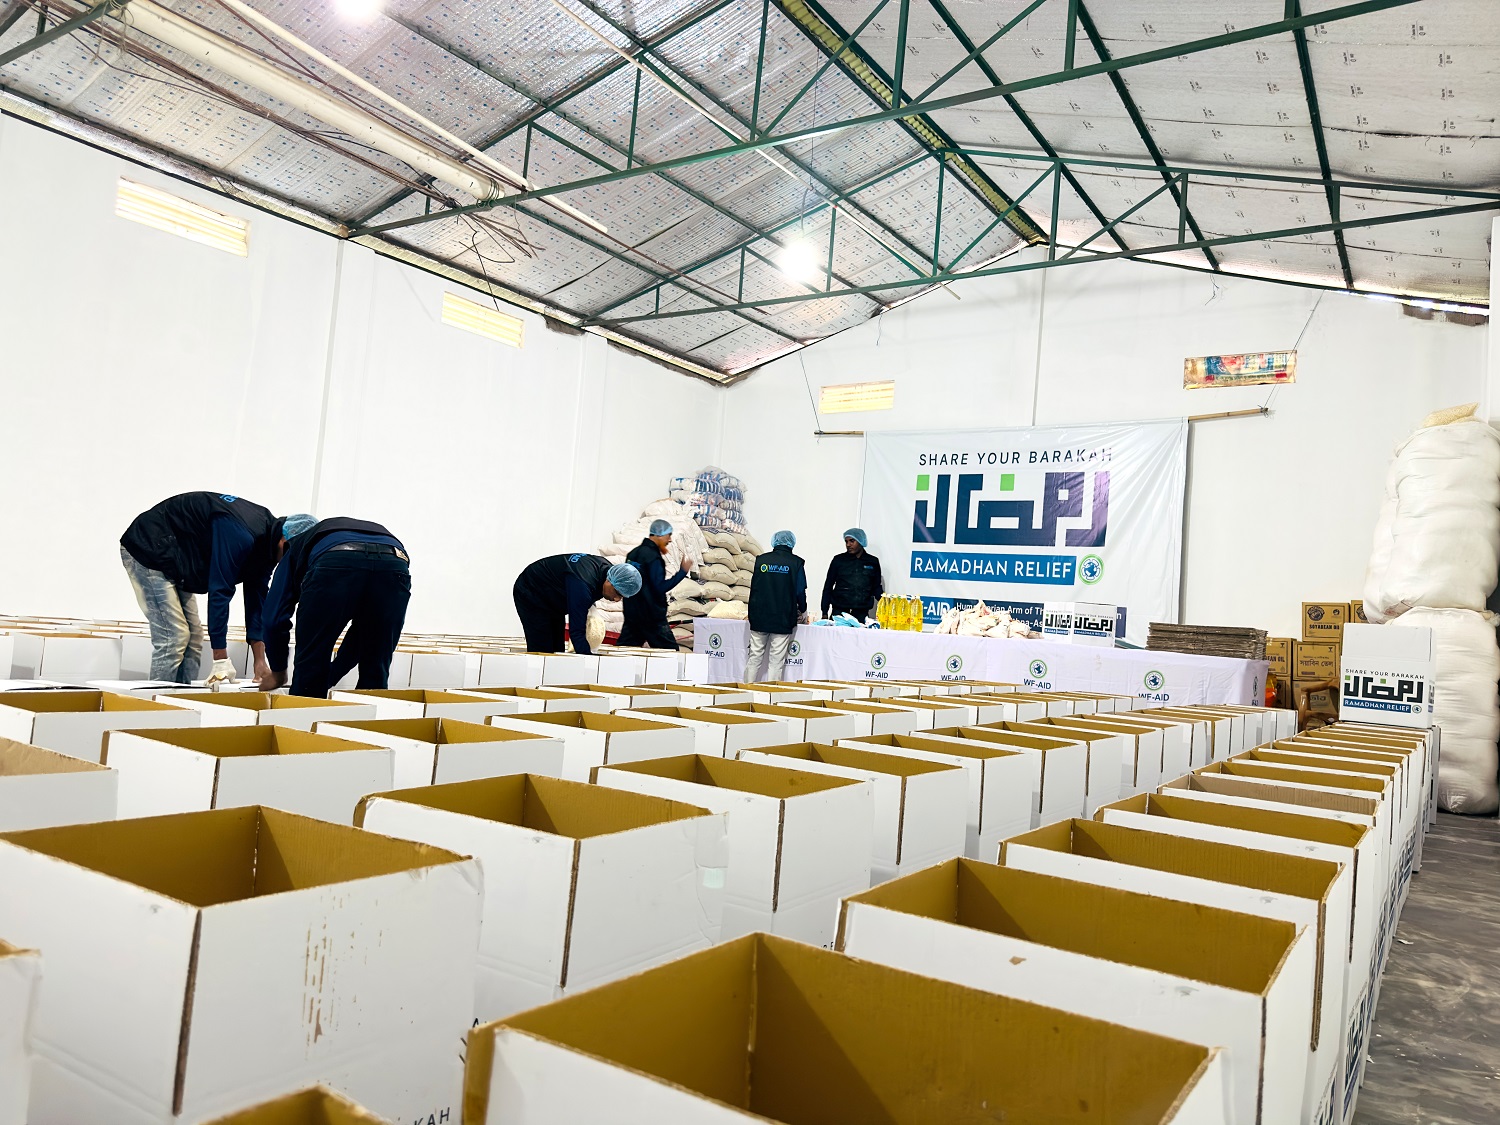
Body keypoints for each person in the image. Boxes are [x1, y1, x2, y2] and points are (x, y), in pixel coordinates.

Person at [119, 492, 308, 686]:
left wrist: (259, 661)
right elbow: (220, 590)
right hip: (148, 546)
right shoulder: (241, 533)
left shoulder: (267, 547)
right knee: (174, 638)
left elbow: (256, 601)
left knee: (194, 640)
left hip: (176, 558)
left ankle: (179, 700)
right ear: (285, 543)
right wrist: (220, 660)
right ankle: (155, 702)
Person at [258, 516, 410, 698]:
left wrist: (278, 671)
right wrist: (331, 676)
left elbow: (272, 619)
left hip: (334, 560)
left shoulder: (295, 546)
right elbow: (362, 636)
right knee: (376, 666)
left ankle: (304, 711)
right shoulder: (322, 537)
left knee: (310, 666)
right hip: (395, 560)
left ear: (284, 543)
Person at [512, 553, 643, 655]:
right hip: (531, 591)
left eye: (622, 597)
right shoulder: (582, 584)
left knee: (556, 650)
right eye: (617, 593)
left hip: (553, 596)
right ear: (610, 581)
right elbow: (576, 632)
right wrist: (589, 661)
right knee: (542, 650)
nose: (617, 599)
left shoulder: (607, 572)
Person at [619, 519, 692, 649]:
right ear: (659, 535)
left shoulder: (633, 554)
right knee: (670, 653)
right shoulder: (653, 557)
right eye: (668, 535)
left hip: (632, 615)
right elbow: (660, 587)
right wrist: (682, 572)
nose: (670, 540)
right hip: (651, 617)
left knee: (624, 651)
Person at [746, 530, 806, 682]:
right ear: (792, 543)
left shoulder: (761, 560)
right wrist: (803, 610)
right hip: (782, 618)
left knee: (754, 658)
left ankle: (746, 690)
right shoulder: (796, 563)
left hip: (759, 616)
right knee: (776, 662)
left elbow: (754, 588)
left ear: (774, 541)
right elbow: (800, 591)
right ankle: (771, 694)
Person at [821, 527, 883, 622]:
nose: (848, 545)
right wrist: (824, 612)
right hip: (839, 612)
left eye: (852, 541)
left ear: (861, 541)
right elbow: (828, 586)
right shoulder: (838, 560)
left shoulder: (872, 561)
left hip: (861, 613)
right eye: (846, 541)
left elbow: (876, 587)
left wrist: (886, 604)